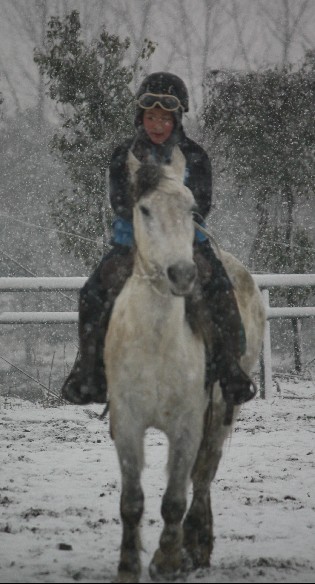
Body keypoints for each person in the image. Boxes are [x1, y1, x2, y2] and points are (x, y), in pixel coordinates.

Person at [61, 72, 256, 422]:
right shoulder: (124, 154)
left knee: (221, 289)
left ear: (176, 118)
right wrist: (147, 221)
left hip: (187, 241)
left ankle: (230, 371)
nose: (157, 124)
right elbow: (119, 201)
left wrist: (174, 217)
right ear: (141, 118)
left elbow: (203, 202)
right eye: (150, 117)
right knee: (92, 292)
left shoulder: (195, 155)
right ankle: (89, 373)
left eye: (164, 118)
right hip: (132, 242)